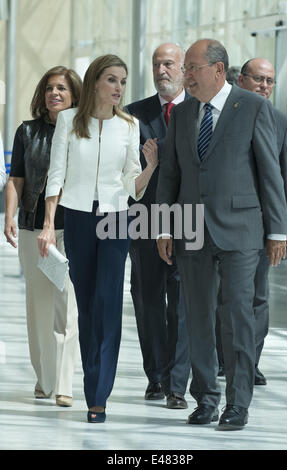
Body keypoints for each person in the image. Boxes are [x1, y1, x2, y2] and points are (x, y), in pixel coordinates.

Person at [156, 39, 287, 430]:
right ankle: (206, 400)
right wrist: (164, 225)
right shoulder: (181, 115)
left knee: (236, 319)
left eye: (192, 68)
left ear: (217, 70)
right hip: (192, 231)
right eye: (186, 69)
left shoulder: (254, 108)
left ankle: (238, 403)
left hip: (242, 233)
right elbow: (170, 175)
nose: (186, 76)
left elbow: (271, 173)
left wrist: (278, 229)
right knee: (196, 318)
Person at [37, 54, 158, 424]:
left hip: (117, 218)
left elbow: (132, 185)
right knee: (86, 304)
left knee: (106, 302)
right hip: (76, 218)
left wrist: (150, 166)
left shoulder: (130, 125)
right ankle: (92, 381)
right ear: (94, 84)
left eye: (122, 81)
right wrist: (46, 224)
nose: (119, 87)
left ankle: (98, 395)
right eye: (111, 80)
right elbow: (56, 174)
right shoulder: (70, 121)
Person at [4, 66, 82, 406]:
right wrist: (9, 213)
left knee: (68, 306)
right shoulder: (28, 132)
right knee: (39, 307)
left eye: (62, 88)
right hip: (34, 227)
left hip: (72, 229)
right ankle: (45, 378)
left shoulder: (85, 132)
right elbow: (16, 177)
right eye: (50, 87)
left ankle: (64, 383)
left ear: (74, 94)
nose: (55, 93)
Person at [217, 58, 287, 385]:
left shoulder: (280, 121)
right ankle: (227, 358)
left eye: (270, 81)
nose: (264, 86)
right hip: (224, 221)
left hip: (264, 223)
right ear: (242, 80)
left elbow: (282, 178)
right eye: (258, 79)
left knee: (259, 295)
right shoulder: (221, 116)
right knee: (226, 294)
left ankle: (251, 360)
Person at [126, 43, 190, 409]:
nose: (161, 70)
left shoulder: (198, 112)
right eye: (156, 64)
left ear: (183, 69)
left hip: (187, 221)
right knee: (148, 300)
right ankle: (157, 376)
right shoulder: (134, 115)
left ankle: (177, 384)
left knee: (181, 303)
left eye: (168, 63)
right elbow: (129, 168)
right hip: (144, 219)